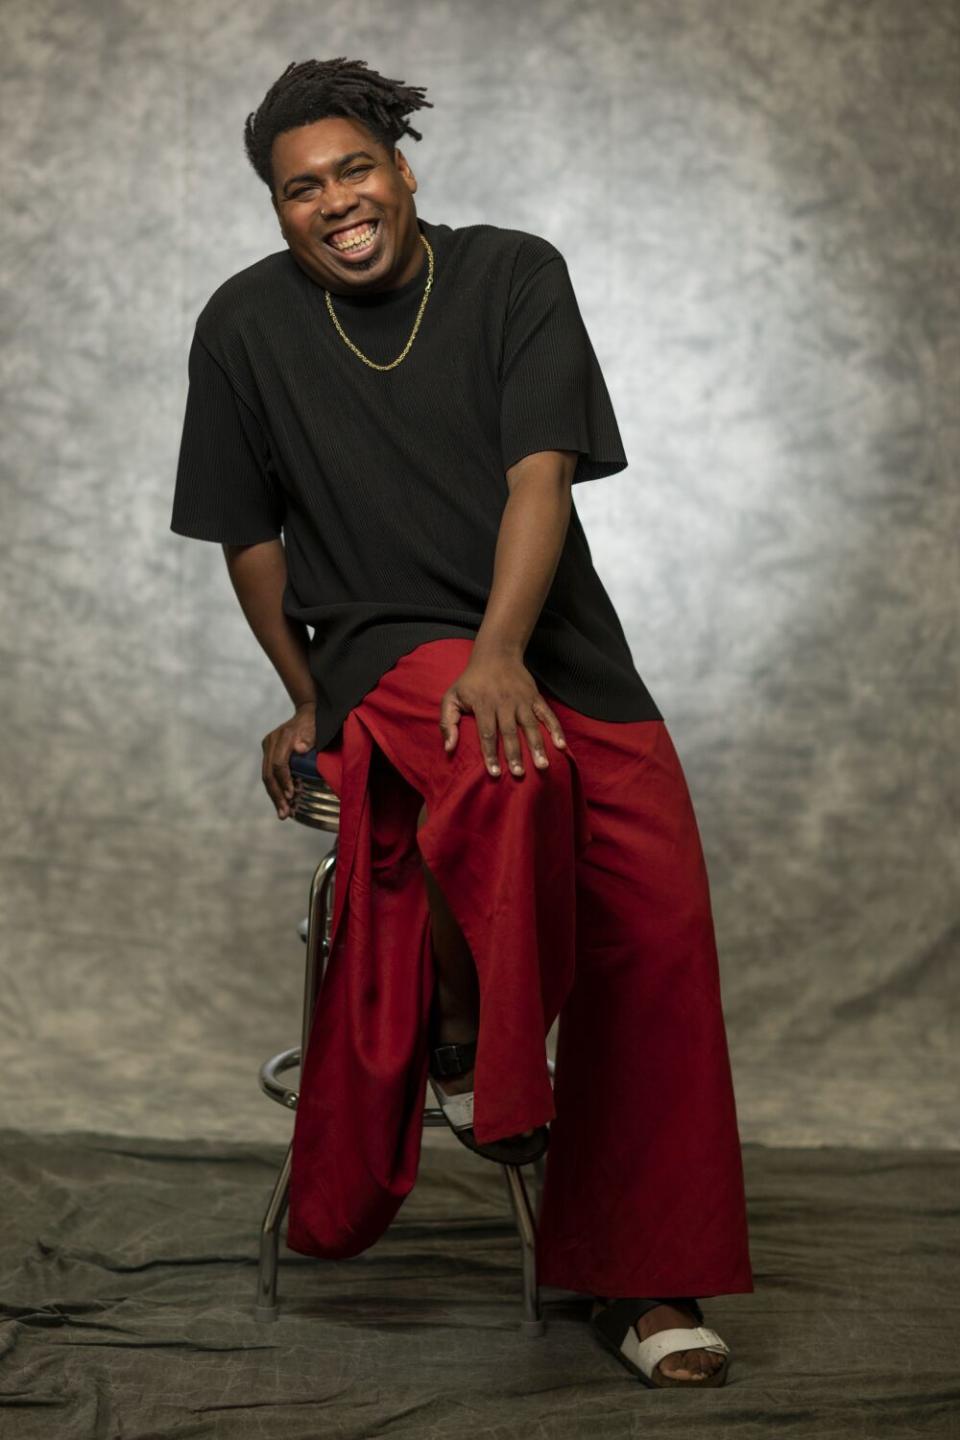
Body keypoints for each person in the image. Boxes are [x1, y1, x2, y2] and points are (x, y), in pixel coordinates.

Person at [170, 56, 754, 1388]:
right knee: (508, 773)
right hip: (384, 647)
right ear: (277, 209)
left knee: (658, 926)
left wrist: (502, 650)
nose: (337, 203)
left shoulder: (512, 276)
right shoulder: (243, 326)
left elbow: (537, 477)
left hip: (554, 650)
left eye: (355, 169)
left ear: (404, 167)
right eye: (300, 188)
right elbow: (248, 538)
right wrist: (306, 693)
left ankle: (646, 1284)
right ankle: (484, 1058)